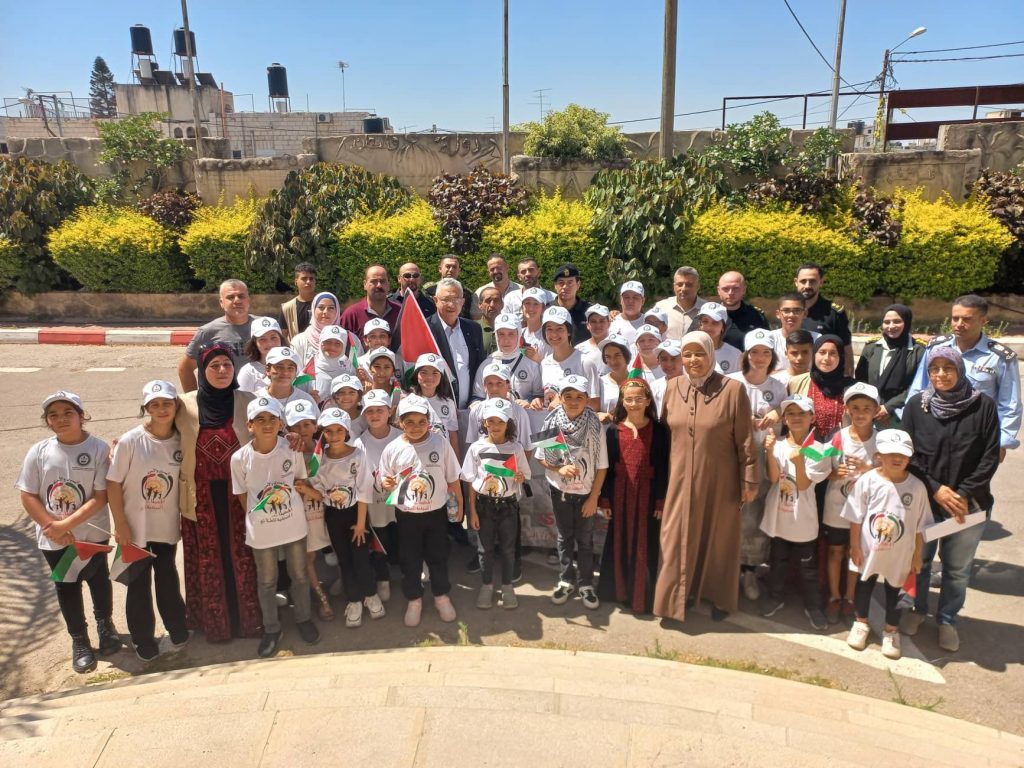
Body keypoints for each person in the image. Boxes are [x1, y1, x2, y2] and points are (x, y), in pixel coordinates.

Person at [901, 346, 1001, 652]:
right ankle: (917, 609)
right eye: (935, 369)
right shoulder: (918, 406)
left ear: (960, 370)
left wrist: (963, 493)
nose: (941, 374)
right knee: (919, 561)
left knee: (957, 569)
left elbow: (989, 457)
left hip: (966, 506)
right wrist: (936, 489)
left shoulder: (983, 406)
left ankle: (947, 619)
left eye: (948, 368)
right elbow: (909, 454)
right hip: (926, 501)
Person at [654, 331, 758, 622]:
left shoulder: (733, 390)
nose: (693, 360)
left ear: (711, 354)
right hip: (679, 480)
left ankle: (718, 597)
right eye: (687, 354)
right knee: (675, 538)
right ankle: (675, 599)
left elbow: (745, 439)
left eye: (699, 353)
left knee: (719, 539)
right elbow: (664, 435)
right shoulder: (673, 387)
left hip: (720, 480)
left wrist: (749, 478)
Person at [17, 391, 121, 674]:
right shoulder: (39, 451)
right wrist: (52, 527)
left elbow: (101, 496)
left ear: (81, 416)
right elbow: (28, 494)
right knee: (66, 586)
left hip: (91, 534)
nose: (61, 419)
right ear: (47, 421)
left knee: (98, 580)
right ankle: (79, 640)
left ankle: (105, 626)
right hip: (53, 538)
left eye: (68, 413)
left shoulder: (98, 449)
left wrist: (67, 525)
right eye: (53, 415)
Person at [175, 344, 260, 643]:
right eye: (214, 366)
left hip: (239, 496)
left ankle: (249, 621)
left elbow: (271, 429)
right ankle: (215, 624)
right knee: (209, 558)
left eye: (227, 365)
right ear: (202, 371)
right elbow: (157, 431)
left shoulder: (248, 401)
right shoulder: (184, 405)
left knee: (244, 556)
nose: (222, 371)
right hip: (202, 499)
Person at [230, 396, 320, 657]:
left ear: (281, 423)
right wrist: (258, 518)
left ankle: (304, 618)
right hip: (262, 531)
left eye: (272, 419)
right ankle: (271, 628)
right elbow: (242, 495)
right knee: (267, 581)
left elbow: (300, 480)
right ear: (250, 426)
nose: (267, 424)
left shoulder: (291, 449)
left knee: (299, 575)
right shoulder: (239, 459)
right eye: (260, 419)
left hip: (294, 526)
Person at [107, 381, 189, 662]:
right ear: (146, 408)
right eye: (155, 405)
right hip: (134, 529)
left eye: (167, 403)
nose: (162, 409)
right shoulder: (130, 441)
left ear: (176, 406)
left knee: (167, 578)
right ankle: (143, 638)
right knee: (138, 584)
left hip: (165, 526)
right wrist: (120, 524)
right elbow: (113, 483)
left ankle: (177, 628)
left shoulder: (182, 440)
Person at [844, 430, 931, 660]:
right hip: (869, 549)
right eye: (890, 453)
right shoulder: (868, 481)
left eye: (902, 454)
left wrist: (917, 555)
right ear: (878, 455)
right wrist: (854, 546)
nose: (897, 458)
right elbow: (855, 516)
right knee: (864, 584)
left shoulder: (917, 487)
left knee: (897, 591)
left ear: (910, 457)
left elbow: (921, 525)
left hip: (901, 554)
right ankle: (861, 622)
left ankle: (891, 631)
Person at [378, 395, 464, 627]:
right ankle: (414, 600)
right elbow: (384, 479)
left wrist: (460, 504)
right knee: (410, 559)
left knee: (438, 556)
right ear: (400, 422)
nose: (416, 427)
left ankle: (441, 596)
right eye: (409, 422)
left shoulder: (440, 443)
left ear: (429, 421)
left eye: (421, 421)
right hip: (406, 515)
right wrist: (386, 483)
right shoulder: (393, 448)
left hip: (436, 513)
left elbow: (453, 478)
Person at [906, 294, 1020, 462]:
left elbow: (1010, 404)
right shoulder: (937, 347)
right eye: (955, 318)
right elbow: (919, 388)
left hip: (976, 435)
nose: (959, 324)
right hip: (933, 430)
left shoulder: (1000, 357)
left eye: (967, 319)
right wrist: (910, 428)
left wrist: (1001, 442)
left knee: (973, 478)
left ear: (983, 320)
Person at [536, 375, 608, 610]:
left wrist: (594, 497)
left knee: (585, 540)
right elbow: (542, 458)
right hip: (560, 491)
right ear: (560, 398)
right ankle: (566, 579)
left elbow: (602, 466)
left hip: (586, 493)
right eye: (568, 396)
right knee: (564, 537)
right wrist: (559, 468)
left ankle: (586, 583)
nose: (574, 401)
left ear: (587, 399)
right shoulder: (550, 422)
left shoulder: (596, 426)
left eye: (579, 397)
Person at [759, 395, 831, 629]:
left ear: (812, 417)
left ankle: (813, 606)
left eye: (802, 413)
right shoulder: (779, 444)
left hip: (803, 520)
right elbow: (773, 478)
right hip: (779, 517)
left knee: (807, 568)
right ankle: (775, 597)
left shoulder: (818, 450)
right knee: (777, 562)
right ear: (784, 419)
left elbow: (803, 484)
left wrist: (800, 461)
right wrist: (770, 452)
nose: (796, 418)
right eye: (791, 413)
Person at [597, 378, 668, 614]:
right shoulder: (613, 431)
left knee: (645, 544)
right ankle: (617, 592)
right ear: (622, 402)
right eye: (629, 399)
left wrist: (660, 500)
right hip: (619, 495)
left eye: (639, 398)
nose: (634, 403)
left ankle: (642, 597)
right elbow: (606, 468)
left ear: (648, 401)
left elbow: (663, 468)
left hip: (648, 496)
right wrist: (605, 499)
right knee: (618, 541)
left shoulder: (659, 430)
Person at [726, 329, 786, 602]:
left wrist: (779, 412)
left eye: (766, 353)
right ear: (746, 355)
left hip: (763, 458)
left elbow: (787, 421)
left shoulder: (778, 387)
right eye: (755, 352)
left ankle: (748, 570)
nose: (760, 358)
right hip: (733, 456)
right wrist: (743, 420)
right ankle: (725, 569)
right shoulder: (732, 382)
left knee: (754, 516)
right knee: (731, 514)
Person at [313, 407, 386, 629]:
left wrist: (361, 524)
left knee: (361, 558)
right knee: (344, 560)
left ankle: (371, 595)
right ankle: (354, 600)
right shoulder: (320, 459)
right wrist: (305, 490)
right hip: (334, 517)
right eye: (329, 431)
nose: (334, 435)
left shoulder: (357, 455)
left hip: (356, 514)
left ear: (346, 431)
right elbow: (320, 492)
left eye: (339, 430)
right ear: (323, 433)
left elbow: (364, 490)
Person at [462, 398, 530, 609]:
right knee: (485, 549)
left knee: (508, 549)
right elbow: (471, 481)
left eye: (500, 421)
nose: (495, 426)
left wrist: (520, 477)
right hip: (484, 506)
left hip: (508, 506)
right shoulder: (476, 448)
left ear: (508, 423)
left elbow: (524, 474)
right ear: (484, 423)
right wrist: (472, 511)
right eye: (491, 421)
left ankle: (507, 587)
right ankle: (487, 586)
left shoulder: (516, 448)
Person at [821, 383, 880, 624]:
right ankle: (834, 596)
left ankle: (850, 597)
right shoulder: (838, 437)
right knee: (835, 551)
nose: (860, 413)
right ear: (847, 409)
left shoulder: (881, 441)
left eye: (867, 408)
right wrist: (833, 474)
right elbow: (816, 459)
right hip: (836, 507)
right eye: (855, 407)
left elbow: (893, 470)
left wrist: (869, 468)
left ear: (876, 411)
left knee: (856, 553)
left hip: (866, 512)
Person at [283, 400, 333, 623]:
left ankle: (347, 586)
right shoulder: (285, 453)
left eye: (306, 424)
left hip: (328, 511)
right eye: (296, 426)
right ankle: (322, 599)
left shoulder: (328, 450)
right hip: (302, 515)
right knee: (308, 557)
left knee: (338, 550)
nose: (302, 430)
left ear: (315, 426)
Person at [352, 390, 404, 602]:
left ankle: (412, 570)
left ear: (390, 411)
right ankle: (383, 578)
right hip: (375, 504)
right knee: (379, 542)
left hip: (401, 502)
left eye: (380, 410)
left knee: (404, 537)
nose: (375, 415)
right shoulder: (359, 444)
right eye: (370, 411)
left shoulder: (402, 437)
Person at [855, 304, 925, 427]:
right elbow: (861, 379)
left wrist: (888, 408)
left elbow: (917, 386)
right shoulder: (871, 348)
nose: (891, 326)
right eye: (887, 322)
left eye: (897, 321)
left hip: (901, 416)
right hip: (870, 413)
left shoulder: (918, 351)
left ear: (907, 322)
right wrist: (871, 405)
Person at [421, 278, 486, 411]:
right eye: (446, 299)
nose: (451, 305)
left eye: (456, 300)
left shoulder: (473, 329)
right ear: (435, 300)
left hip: (470, 409)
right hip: (437, 409)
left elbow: (479, 367)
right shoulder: (424, 329)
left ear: (462, 302)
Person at [179, 279, 253, 392]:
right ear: (221, 302)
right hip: (222, 400)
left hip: (260, 400)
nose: (237, 300)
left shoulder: (265, 327)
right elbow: (185, 368)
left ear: (248, 300)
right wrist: (193, 399)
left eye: (241, 296)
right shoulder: (208, 332)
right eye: (230, 297)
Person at [788, 335, 855, 441]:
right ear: (814, 355)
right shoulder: (796, 382)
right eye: (822, 352)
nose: (826, 358)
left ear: (841, 357)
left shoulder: (852, 387)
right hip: (806, 447)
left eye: (833, 353)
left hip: (841, 447)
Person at [472, 312, 543, 408]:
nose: (506, 340)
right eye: (501, 334)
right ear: (496, 336)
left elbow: (539, 396)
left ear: (519, 335)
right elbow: (476, 398)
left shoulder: (531, 365)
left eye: (511, 334)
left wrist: (529, 402)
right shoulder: (486, 365)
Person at [795, 263, 853, 376]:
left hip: (824, 377)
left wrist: (848, 378)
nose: (807, 285)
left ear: (821, 282)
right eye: (803, 281)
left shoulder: (834, 313)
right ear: (796, 282)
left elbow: (846, 349)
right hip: (793, 376)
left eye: (812, 281)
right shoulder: (788, 310)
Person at [539, 306, 601, 411]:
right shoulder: (544, 363)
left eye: (559, 328)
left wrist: (563, 403)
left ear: (568, 331)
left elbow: (595, 405)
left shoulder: (585, 362)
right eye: (549, 329)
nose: (554, 334)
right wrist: (538, 401)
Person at [408, 353, 460, 456]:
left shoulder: (448, 403)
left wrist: (457, 462)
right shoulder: (408, 402)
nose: (429, 377)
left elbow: (453, 435)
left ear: (441, 376)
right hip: (417, 456)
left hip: (444, 457)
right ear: (416, 375)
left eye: (435, 373)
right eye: (424, 372)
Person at [339, 265, 403, 346]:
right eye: (374, 281)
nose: (379, 285)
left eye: (383, 281)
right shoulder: (351, 315)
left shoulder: (401, 312)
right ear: (365, 284)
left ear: (388, 285)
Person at [717, 271, 769, 351]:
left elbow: (766, 345)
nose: (730, 293)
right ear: (719, 291)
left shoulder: (756, 316)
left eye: (735, 288)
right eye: (726, 289)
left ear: (744, 290)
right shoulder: (708, 316)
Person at [290, 292, 345, 367]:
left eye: (331, 308)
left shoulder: (349, 340)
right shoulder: (299, 341)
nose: (325, 311)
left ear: (337, 311)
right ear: (313, 310)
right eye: (321, 307)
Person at [768, 294, 818, 371]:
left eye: (797, 310)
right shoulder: (768, 339)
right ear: (778, 314)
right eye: (786, 310)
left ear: (805, 313)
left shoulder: (817, 339)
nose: (791, 315)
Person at [238, 317, 287, 394]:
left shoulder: (294, 365)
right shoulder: (248, 371)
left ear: (281, 339)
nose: (270, 344)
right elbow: (241, 399)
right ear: (255, 343)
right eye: (262, 339)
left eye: (273, 337)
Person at [654, 266, 705, 340]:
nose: (683, 289)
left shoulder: (706, 309)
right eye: (680, 284)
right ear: (674, 286)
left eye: (689, 285)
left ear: (698, 286)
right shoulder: (661, 307)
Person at [424, 254, 479, 320]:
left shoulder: (467, 293)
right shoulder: (430, 290)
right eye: (448, 266)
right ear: (440, 269)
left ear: (459, 270)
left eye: (454, 267)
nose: (451, 270)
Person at [552, 263, 592, 344]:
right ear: (555, 286)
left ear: (578, 285)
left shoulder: (590, 311)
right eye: (561, 282)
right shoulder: (547, 310)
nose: (565, 287)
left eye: (570, 282)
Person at [696, 302, 741, 375]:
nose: (709, 327)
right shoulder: (689, 350)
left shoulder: (735, 355)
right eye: (705, 321)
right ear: (700, 325)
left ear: (723, 327)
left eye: (715, 322)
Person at [597, 335, 632, 422]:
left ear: (626, 355)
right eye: (608, 357)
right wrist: (597, 415)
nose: (613, 361)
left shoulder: (638, 382)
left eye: (617, 355)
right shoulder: (599, 382)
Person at [280, 262, 317, 339]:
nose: (308, 282)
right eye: (304, 278)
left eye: (311, 278)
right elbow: (283, 336)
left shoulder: (324, 303)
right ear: (296, 281)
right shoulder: (287, 308)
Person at [607, 281, 647, 347]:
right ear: (621, 300)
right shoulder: (610, 321)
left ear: (643, 301)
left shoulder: (649, 322)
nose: (630, 301)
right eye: (626, 297)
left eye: (635, 297)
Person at [576, 305, 612, 376]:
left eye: (602, 321)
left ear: (609, 323)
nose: (598, 325)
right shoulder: (578, 350)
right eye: (593, 321)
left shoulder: (619, 345)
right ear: (587, 325)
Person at [520, 287, 551, 359]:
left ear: (543, 309)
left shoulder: (548, 336)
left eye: (536, 304)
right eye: (527, 303)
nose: (531, 308)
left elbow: (555, 364)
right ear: (522, 307)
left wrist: (538, 359)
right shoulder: (518, 334)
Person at [477, 285, 504, 356]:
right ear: (480, 305)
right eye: (488, 301)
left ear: (502, 304)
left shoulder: (510, 329)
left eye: (496, 300)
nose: (492, 305)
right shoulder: (472, 329)